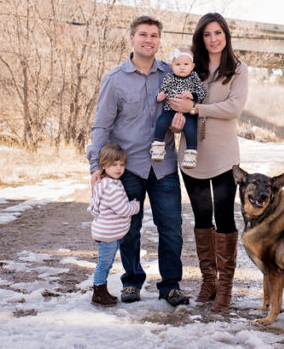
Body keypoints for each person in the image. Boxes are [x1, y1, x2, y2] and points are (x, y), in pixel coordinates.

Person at [86, 15, 190, 307]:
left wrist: (180, 122)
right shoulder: (115, 79)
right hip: (126, 168)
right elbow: (101, 127)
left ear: (159, 40)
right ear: (131, 38)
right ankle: (131, 281)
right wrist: (96, 166)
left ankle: (170, 285)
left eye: (154, 35)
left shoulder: (171, 74)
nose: (149, 40)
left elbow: (183, 110)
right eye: (143, 34)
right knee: (128, 228)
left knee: (171, 227)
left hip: (163, 165)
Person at [168, 12, 248, 313]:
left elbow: (233, 107)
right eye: (207, 34)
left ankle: (226, 288)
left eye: (218, 33)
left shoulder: (238, 70)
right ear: (200, 38)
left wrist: (196, 108)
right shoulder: (191, 68)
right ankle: (209, 281)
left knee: (224, 217)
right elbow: (176, 103)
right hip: (192, 155)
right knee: (202, 218)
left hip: (225, 156)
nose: (213, 39)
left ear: (225, 35)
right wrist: (177, 116)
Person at [88, 144, 140, 307]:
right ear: (103, 165)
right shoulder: (112, 187)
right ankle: (98, 292)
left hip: (106, 231)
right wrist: (135, 206)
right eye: (113, 164)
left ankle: (101, 290)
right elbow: (123, 209)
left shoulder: (104, 182)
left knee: (106, 262)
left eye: (121, 165)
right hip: (108, 234)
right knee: (104, 263)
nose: (118, 169)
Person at [151, 47, 207, 169]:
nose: (182, 67)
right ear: (171, 66)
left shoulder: (194, 77)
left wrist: (192, 95)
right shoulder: (169, 77)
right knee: (161, 122)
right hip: (170, 109)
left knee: (191, 129)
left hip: (188, 112)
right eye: (178, 64)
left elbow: (202, 92)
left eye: (186, 64)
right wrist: (160, 96)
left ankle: (191, 155)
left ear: (192, 66)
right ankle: (158, 147)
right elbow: (162, 90)